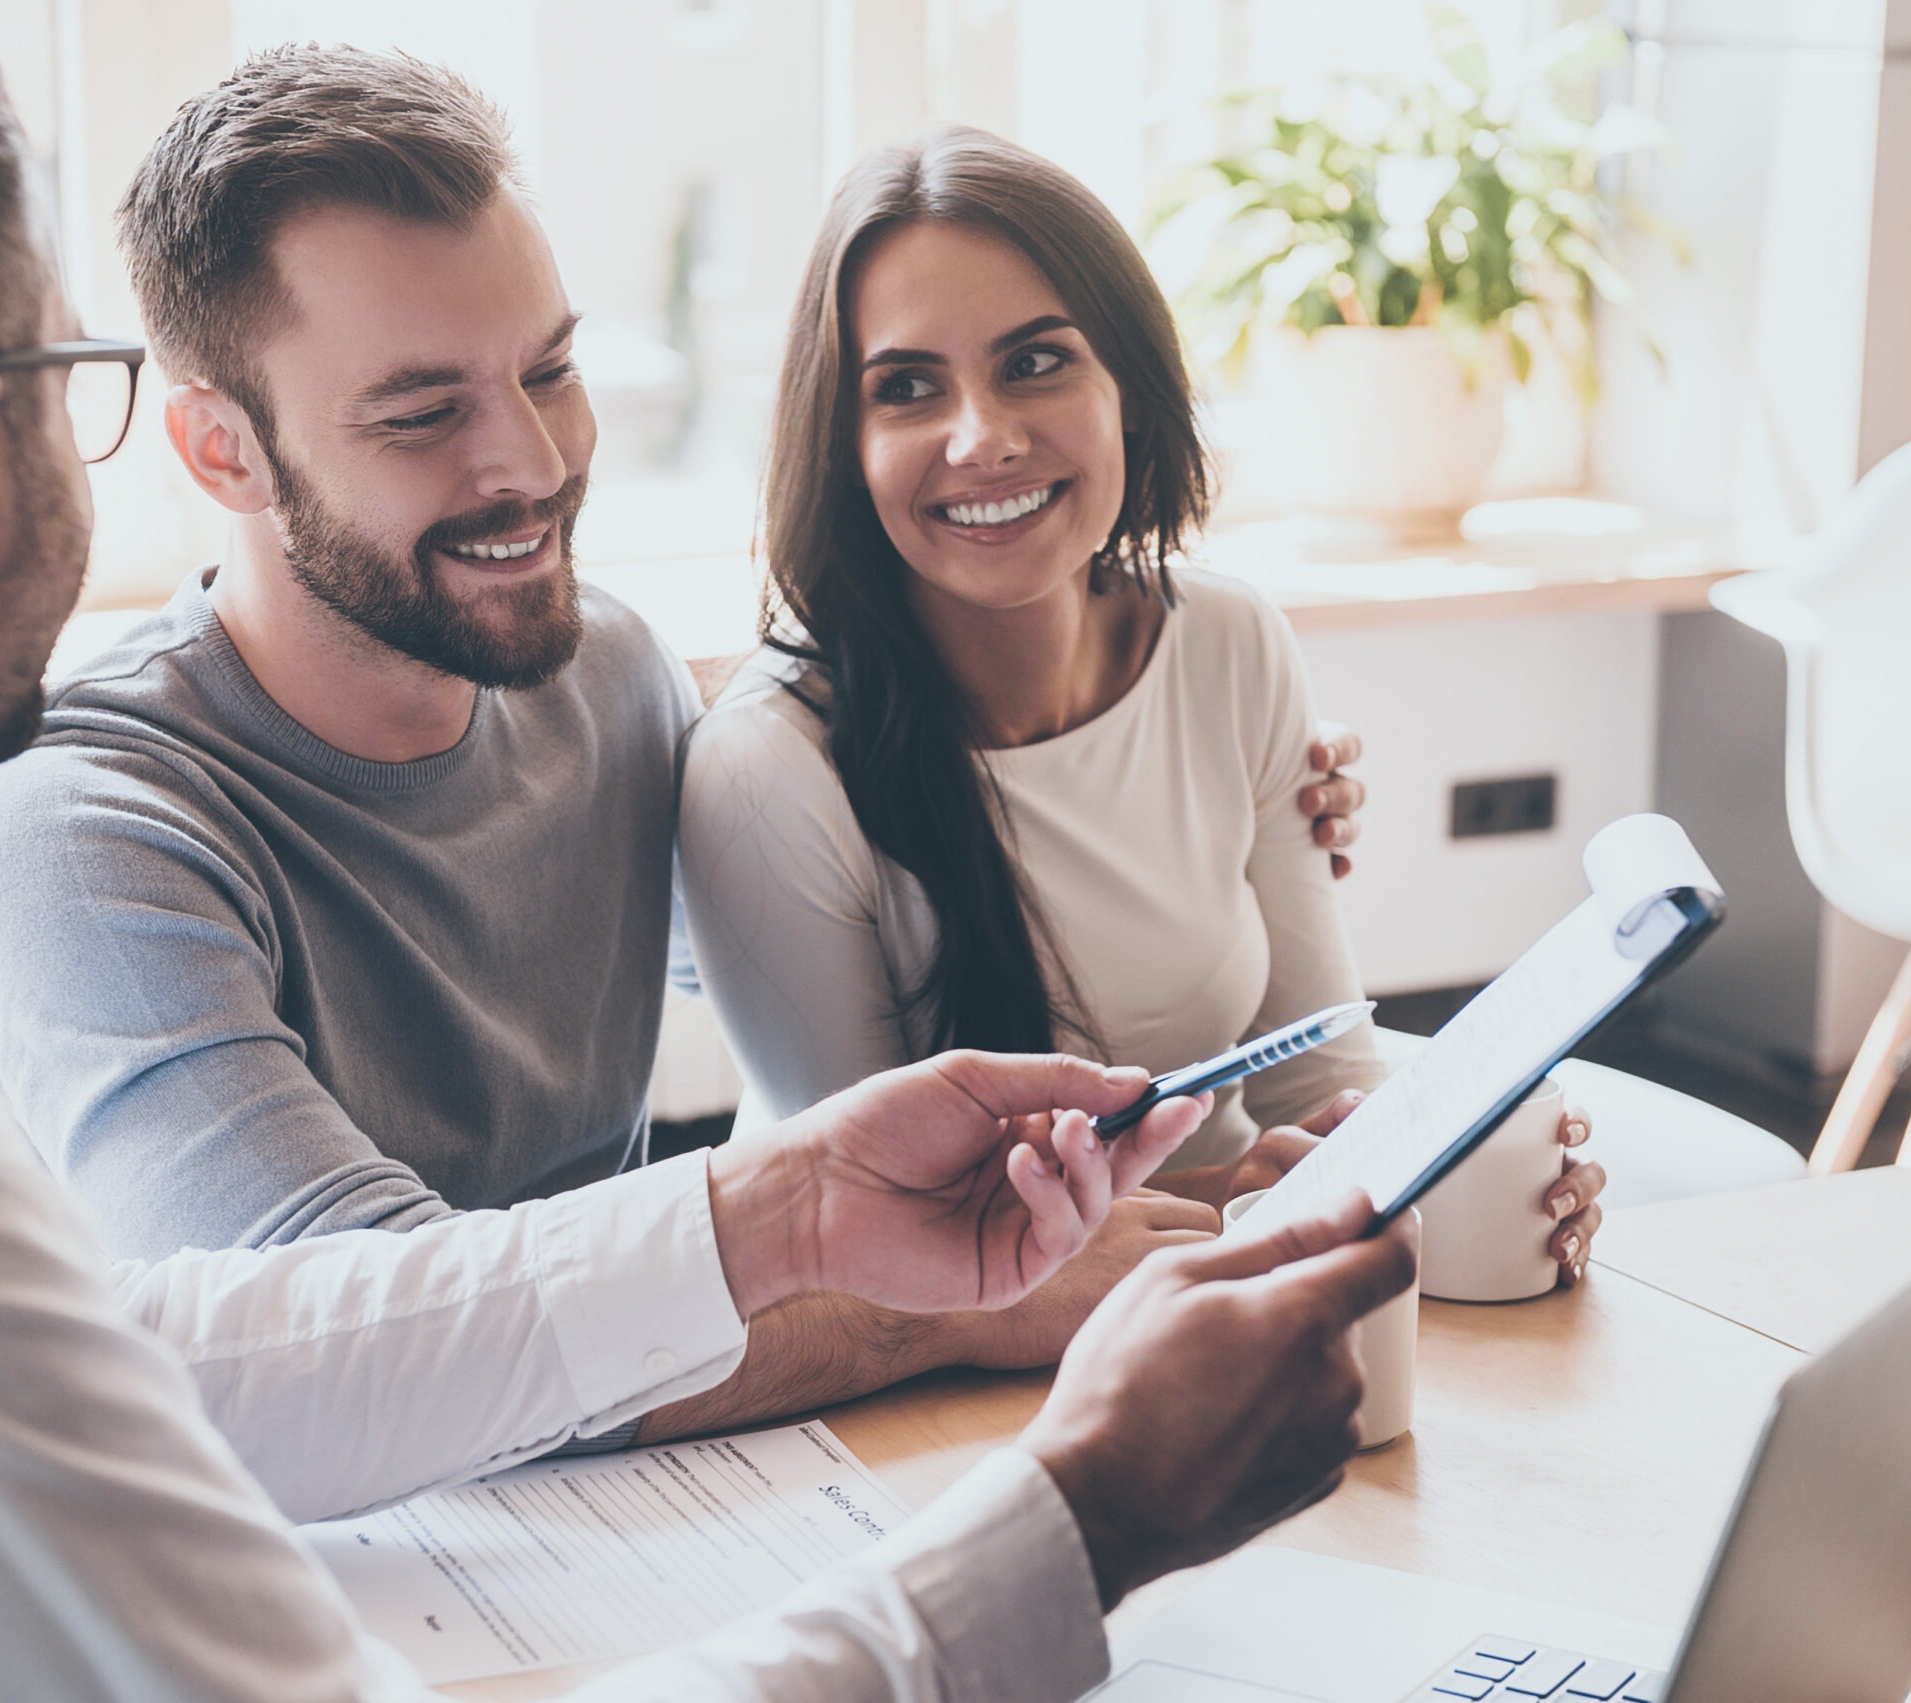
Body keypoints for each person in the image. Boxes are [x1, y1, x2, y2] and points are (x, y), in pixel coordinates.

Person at [0, 3, 1420, 1697]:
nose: (529, 458)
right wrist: (1075, 1518)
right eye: (75, 388)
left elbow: (180, 1351)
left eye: (549, 369)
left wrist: (781, 1209)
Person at [0, 45, 1365, 1442]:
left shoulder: (599, 674)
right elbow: (363, 1357)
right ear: (222, 449)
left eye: (548, 371)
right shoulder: (74, 837)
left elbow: (819, 906)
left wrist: (1226, 784)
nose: (533, 468)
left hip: (639, 1512)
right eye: (424, 413)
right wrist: (957, 1307)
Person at [678, 127, 1605, 1281]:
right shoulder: (767, 769)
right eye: (907, 388)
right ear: (842, 443)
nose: (983, 438)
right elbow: (883, 1244)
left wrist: (1450, 1164)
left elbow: (1321, 1075)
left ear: (1128, 386)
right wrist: (1251, 1200)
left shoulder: (1225, 643)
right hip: (902, 1368)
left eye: (1034, 362)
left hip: (1220, 1291)